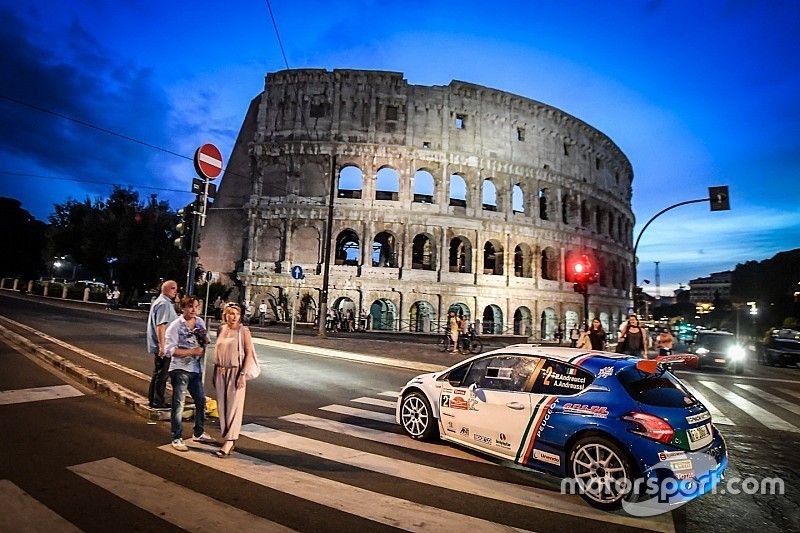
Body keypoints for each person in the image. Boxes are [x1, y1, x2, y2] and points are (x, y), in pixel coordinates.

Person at [164, 295, 213, 451]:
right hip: (180, 369)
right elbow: (169, 350)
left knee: (200, 401)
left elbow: (207, 341)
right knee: (179, 404)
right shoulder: (176, 326)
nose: (194, 310)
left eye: (196, 307)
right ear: (183, 308)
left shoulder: (199, 322)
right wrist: (191, 351)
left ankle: (198, 432)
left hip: (195, 369)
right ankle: (176, 437)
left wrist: (204, 337)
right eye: (190, 306)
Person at [213, 302, 260, 457]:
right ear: (225, 314)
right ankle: (226, 436)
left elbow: (249, 353)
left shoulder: (243, 331)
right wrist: (214, 373)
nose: (233, 317)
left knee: (234, 407)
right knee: (222, 407)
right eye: (230, 313)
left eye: (236, 314)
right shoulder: (221, 329)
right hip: (220, 371)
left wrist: (242, 374)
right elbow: (218, 351)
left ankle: (230, 440)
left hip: (236, 372)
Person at [146, 280, 178, 409]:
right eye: (173, 288)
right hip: (164, 346)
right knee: (162, 374)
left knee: (158, 373)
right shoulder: (164, 304)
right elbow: (161, 326)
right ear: (165, 289)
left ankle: (153, 399)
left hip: (162, 345)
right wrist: (162, 346)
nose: (175, 291)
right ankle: (158, 401)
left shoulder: (161, 302)